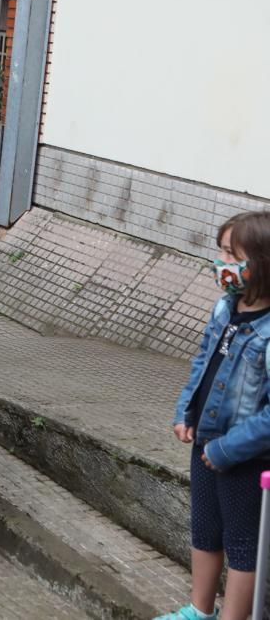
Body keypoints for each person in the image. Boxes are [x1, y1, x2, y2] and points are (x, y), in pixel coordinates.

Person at [159, 211, 270, 620]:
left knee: (242, 543)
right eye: (221, 251)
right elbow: (203, 361)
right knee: (205, 529)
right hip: (206, 442)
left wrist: (228, 448)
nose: (221, 262)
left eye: (231, 253)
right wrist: (185, 410)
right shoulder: (225, 307)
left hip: (246, 457)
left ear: (261, 262)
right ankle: (199, 610)